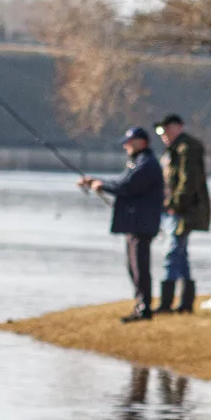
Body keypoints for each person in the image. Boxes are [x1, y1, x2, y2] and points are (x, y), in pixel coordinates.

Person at [78, 128, 164, 322]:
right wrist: (95, 181)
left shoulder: (147, 164)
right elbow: (122, 180)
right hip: (136, 224)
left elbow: (126, 186)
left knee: (140, 267)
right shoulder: (139, 162)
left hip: (141, 224)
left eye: (130, 141)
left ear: (142, 142)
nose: (126, 145)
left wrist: (101, 185)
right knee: (133, 267)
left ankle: (144, 309)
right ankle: (141, 306)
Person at [156, 113, 209, 313]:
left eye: (166, 129)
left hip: (182, 211)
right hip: (172, 209)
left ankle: (166, 303)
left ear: (177, 127)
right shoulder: (173, 149)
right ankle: (186, 303)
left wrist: (176, 204)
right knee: (181, 255)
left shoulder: (187, 149)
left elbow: (188, 180)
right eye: (160, 131)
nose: (163, 134)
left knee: (172, 252)